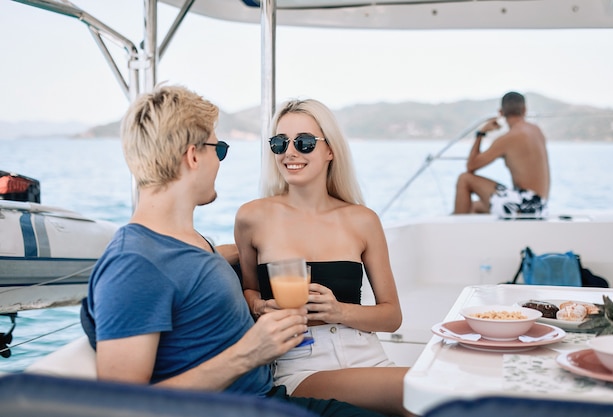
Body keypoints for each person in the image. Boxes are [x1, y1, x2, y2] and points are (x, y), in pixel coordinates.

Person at [83, 84, 385, 417]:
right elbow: (118, 407)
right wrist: (249, 353)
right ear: (194, 156)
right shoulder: (135, 264)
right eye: (220, 149)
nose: (221, 162)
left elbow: (194, 275)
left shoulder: (190, 243)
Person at [234, 98, 410, 417]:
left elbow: (391, 316)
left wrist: (339, 311)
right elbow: (249, 289)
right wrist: (259, 306)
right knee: (426, 390)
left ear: (330, 150)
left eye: (303, 143)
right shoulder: (252, 217)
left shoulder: (362, 220)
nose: (290, 152)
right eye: (279, 143)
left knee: (434, 396)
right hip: (301, 363)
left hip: (367, 355)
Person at [453, 91, 550, 218]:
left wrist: (481, 133)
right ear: (525, 109)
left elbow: (471, 166)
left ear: (500, 112)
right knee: (475, 206)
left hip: (526, 206)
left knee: (464, 179)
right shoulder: (536, 130)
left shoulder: (507, 139)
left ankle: (456, 232)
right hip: (540, 205)